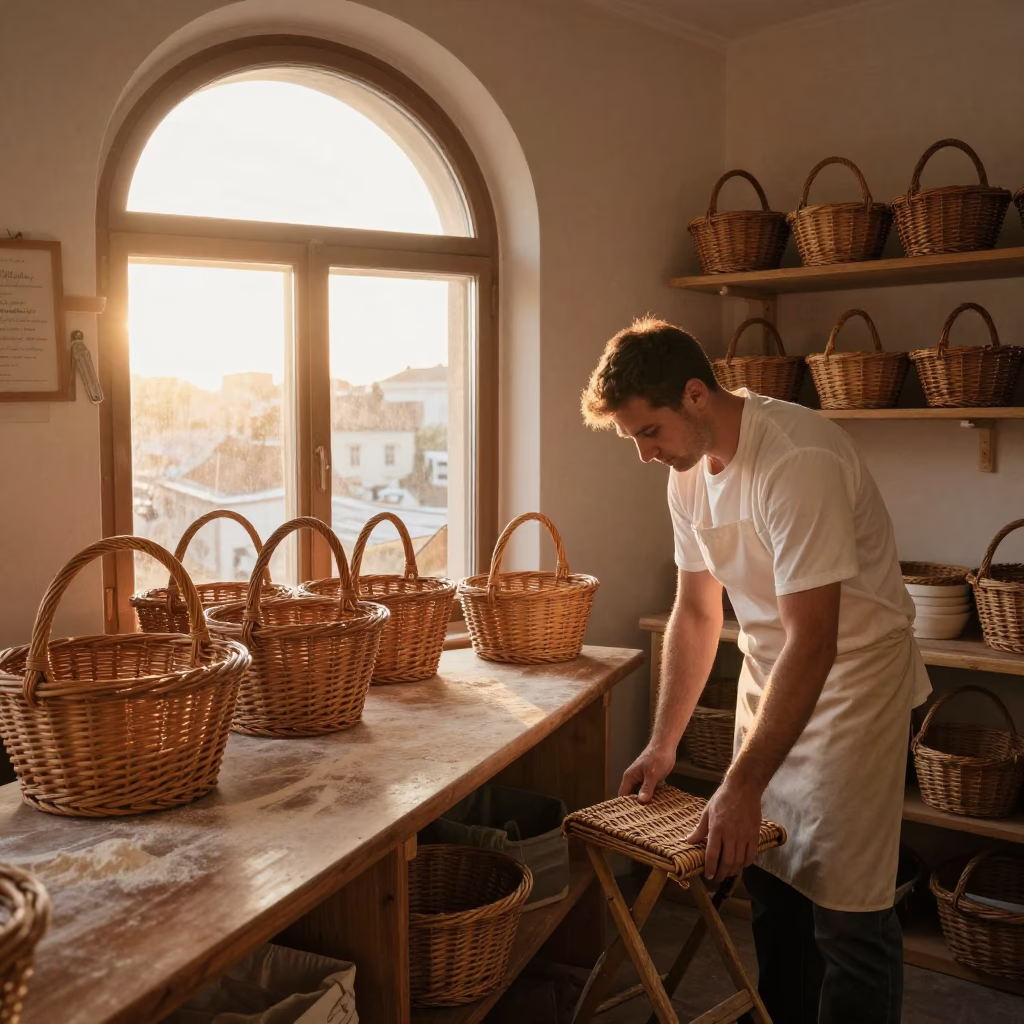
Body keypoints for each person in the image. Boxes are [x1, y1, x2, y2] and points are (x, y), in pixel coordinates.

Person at [581, 317, 931, 1024]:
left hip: (854, 688)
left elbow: (818, 641)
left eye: (648, 432)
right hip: (773, 677)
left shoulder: (797, 459)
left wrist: (740, 783)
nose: (644, 455)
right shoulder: (686, 475)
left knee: (846, 911)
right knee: (774, 890)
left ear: (695, 395)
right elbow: (697, 613)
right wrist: (663, 742)